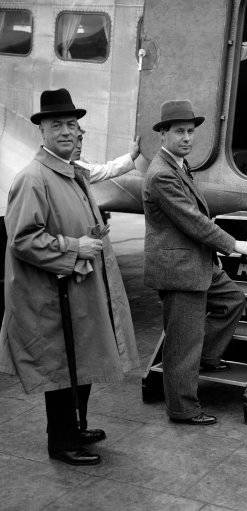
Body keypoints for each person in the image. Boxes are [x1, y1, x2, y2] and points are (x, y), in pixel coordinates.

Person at [0, 88, 139, 465]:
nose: (67, 131)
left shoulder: (72, 172)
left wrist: (90, 236)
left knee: (85, 358)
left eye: (72, 125)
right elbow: (23, 240)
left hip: (80, 289)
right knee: (63, 368)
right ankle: (61, 441)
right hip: (54, 293)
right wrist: (73, 246)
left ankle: (77, 426)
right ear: (42, 131)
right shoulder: (33, 178)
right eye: (57, 124)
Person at [143, 100, 247, 425]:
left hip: (196, 262)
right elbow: (193, 220)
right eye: (179, 131)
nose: (187, 137)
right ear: (163, 134)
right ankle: (183, 409)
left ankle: (206, 357)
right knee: (182, 343)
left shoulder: (180, 165)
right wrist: (234, 245)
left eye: (191, 131)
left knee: (232, 300)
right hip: (179, 270)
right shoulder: (162, 175)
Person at [72, 125, 141, 182]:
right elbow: (106, 171)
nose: (79, 145)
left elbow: (104, 170)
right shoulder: (74, 169)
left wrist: (132, 156)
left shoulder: (76, 164)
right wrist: (132, 156)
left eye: (80, 139)